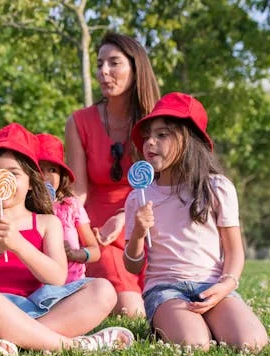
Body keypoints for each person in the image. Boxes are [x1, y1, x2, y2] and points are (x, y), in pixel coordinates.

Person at [0, 123, 133, 356]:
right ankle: (68, 345)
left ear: (31, 182)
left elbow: (57, 278)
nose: (2, 178)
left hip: (39, 309)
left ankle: (15, 341)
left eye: (13, 173)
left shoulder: (47, 222)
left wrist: (18, 244)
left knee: (104, 289)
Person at [124, 92, 268, 351]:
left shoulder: (217, 188)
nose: (150, 142)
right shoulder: (138, 198)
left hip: (212, 284)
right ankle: (177, 321)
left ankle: (207, 320)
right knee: (194, 344)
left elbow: (234, 250)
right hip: (165, 289)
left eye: (162, 134)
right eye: (147, 136)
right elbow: (133, 267)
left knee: (251, 342)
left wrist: (226, 285)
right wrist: (137, 233)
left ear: (189, 139)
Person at [65, 32, 161, 318]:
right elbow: (78, 191)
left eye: (114, 63)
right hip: (100, 233)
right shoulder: (79, 121)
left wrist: (126, 216)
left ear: (136, 68)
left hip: (150, 223)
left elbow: (166, 185)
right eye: (99, 64)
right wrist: (68, 227)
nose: (104, 72)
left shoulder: (157, 119)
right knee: (131, 311)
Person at [37, 133, 100, 283]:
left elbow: (95, 251)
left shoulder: (72, 206)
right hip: (38, 288)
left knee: (102, 288)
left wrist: (73, 254)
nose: (45, 176)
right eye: (40, 169)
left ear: (62, 176)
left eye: (52, 170)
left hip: (73, 285)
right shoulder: (25, 208)